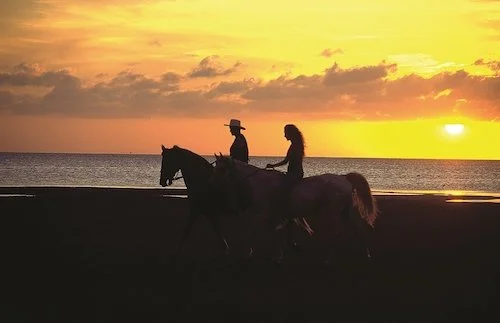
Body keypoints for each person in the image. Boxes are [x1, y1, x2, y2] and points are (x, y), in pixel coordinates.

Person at [266, 124, 305, 229]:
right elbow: (286, 161)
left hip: (295, 173)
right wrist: (273, 166)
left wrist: (275, 166)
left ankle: (286, 216)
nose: (284, 135)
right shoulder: (294, 145)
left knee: (284, 190)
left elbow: (290, 161)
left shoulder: (296, 146)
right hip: (291, 172)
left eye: (285, 133)